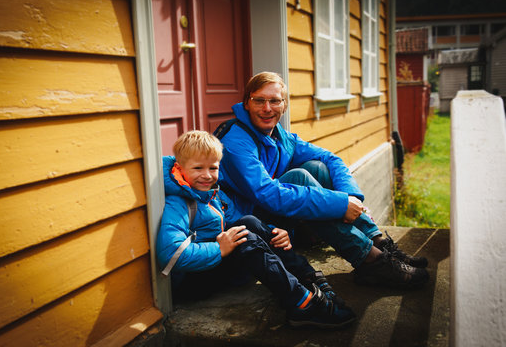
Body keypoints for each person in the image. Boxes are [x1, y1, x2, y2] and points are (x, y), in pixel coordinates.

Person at [216, 72, 430, 289]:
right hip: (245, 226)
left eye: (274, 101)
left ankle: (378, 243)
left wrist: (351, 197)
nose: (267, 108)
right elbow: (268, 195)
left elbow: (331, 158)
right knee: (299, 178)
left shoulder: (279, 136)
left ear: (284, 105)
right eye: (259, 100)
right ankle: (370, 260)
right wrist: (339, 204)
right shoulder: (236, 141)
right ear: (246, 103)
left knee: (317, 168)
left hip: (268, 214)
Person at [156, 130, 356, 329]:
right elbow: (171, 254)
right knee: (247, 241)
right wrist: (219, 249)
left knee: (249, 222)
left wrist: (273, 232)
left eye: (213, 168)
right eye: (198, 168)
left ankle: (310, 279)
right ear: (179, 167)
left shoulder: (210, 193)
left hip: (215, 266)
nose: (207, 175)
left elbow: (238, 221)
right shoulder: (178, 203)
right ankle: (302, 303)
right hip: (192, 283)